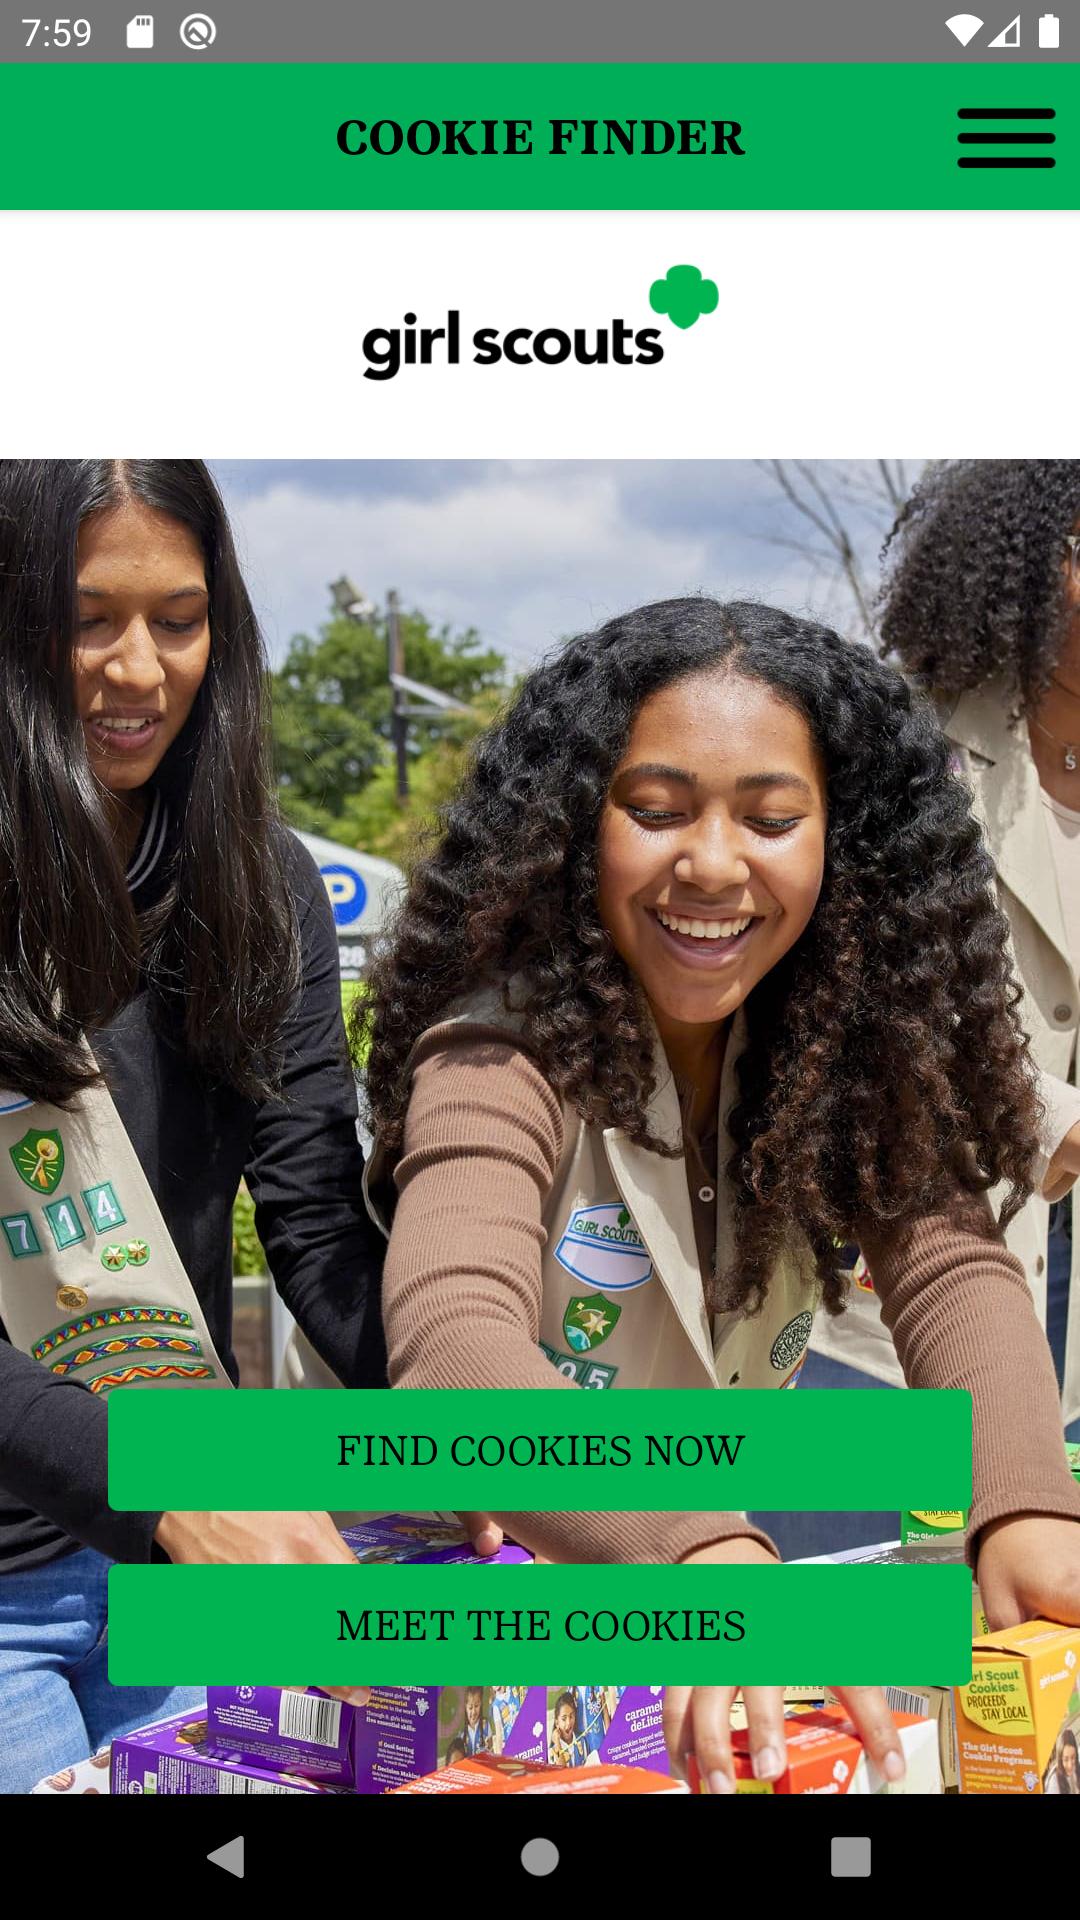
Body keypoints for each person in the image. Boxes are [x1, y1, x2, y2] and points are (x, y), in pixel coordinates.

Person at [358, 596, 1080, 1793]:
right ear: (569, 828)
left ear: (845, 842)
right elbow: (451, 1347)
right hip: (467, 1634)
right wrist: (695, 1546)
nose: (710, 862)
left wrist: (1022, 1509)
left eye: (773, 818)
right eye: (654, 812)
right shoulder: (497, 1050)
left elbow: (953, 1266)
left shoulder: (847, 1047)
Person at [0, 458, 411, 1795]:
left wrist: (456, 1414)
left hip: (180, 1558)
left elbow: (314, 1225)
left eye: (177, 619)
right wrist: (171, 1490)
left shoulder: (264, 883)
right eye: (87, 618)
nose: (138, 669)